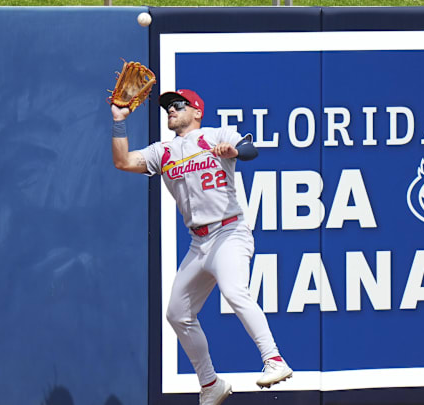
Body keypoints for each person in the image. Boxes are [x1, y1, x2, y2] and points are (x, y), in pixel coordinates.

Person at [111, 89, 292, 405]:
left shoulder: (214, 135)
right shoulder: (162, 151)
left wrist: (232, 151)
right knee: (177, 313)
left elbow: (250, 150)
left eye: (178, 105)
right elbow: (123, 161)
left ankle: (274, 359)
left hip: (229, 232)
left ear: (197, 111)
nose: (171, 110)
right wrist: (118, 123)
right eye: (168, 106)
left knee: (235, 291)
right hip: (199, 242)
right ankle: (210, 383)